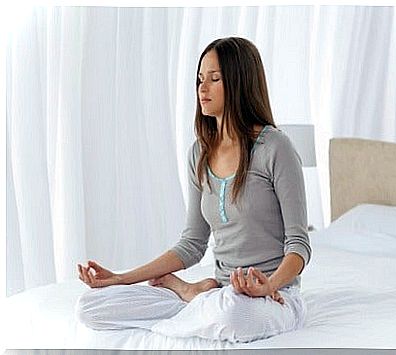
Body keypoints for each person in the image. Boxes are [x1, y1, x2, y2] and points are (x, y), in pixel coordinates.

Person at [76, 36, 312, 343]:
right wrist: (120, 278)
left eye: (215, 79)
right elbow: (192, 243)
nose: (203, 88)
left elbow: (299, 245)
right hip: (224, 290)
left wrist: (269, 286)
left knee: (233, 315)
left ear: (240, 83)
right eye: (200, 79)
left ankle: (191, 295)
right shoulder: (199, 153)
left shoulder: (275, 147)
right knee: (90, 307)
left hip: (275, 297)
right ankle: (197, 297)